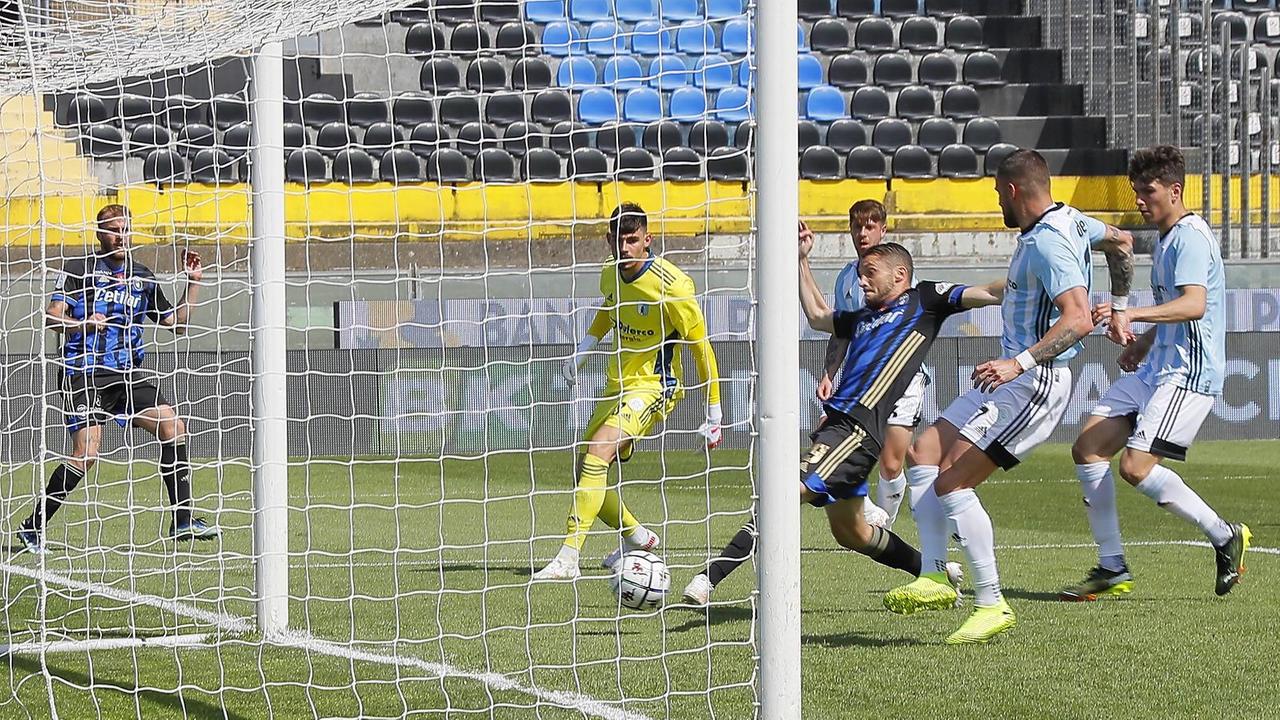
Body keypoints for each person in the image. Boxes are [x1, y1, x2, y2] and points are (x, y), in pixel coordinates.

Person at [882, 149, 1136, 644]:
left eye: (999, 192)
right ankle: (934, 575)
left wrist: (1018, 362)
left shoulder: (1050, 243)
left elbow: (1079, 318)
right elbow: (1122, 242)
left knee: (952, 483)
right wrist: (1122, 306)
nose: (997, 200)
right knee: (923, 451)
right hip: (1010, 376)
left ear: (1015, 190)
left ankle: (991, 602)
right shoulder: (1073, 222)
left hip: (1034, 382)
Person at [679, 229, 1001, 606]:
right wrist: (801, 259)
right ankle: (934, 572)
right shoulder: (863, 317)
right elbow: (817, 316)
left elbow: (989, 292)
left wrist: (1030, 278)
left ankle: (708, 578)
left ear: (899, 275)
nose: (861, 280)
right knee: (852, 533)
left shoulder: (924, 300)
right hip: (838, 425)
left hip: (857, 429)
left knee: (780, 493)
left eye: (870, 273)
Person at [1062, 145, 1249, 601]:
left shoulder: (1189, 236)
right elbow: (1179, 308)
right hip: (1159, 367)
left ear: (1175, 190)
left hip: (1187, 376)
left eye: (1148, 192)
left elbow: (1194, 304)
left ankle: (1224, 534)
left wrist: (1133, 314)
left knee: (1135, 466)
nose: (1140, 201)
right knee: (1088, 447)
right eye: (1136, 192)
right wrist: (1143, 344)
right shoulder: (1166, 238)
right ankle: (1111, 567)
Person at [534, 202, 723, 580]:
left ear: (647, 240)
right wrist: (584, 350)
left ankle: (569, 558)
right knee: (586, 466)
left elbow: (701, 346)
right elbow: (610, 309)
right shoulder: (609, 273)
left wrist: (714, 412)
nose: (625, 247)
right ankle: (636, 536)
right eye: (619, 239)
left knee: (599, 452)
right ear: (608, 240)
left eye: (632, 240)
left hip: (656, 386)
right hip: (615, 385)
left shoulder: (673, 285)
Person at [16, 204, 218, 555]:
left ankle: (183, 518)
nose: (121, 236)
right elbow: (51, 318)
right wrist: (84, 324)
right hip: (84, 374)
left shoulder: (142, 276)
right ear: (99, 233)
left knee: (173, 426)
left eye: (125, 229)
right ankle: (34, 527)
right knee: (86, 454)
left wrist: (193, 282)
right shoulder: (79, 270)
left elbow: (177, 324)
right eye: (113, 230)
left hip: (126, 375)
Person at [823, 199, 925, 529]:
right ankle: (880, 529)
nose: (862, 233)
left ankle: (886, 527)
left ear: (883, 229)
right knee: (846, 446)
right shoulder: (844, 279)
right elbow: (840, 332)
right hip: (862, 379)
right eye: (857, 226)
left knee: (893, 462)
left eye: (870, 226)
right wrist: (828, 373)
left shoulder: (899, 274)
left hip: (900, 375)